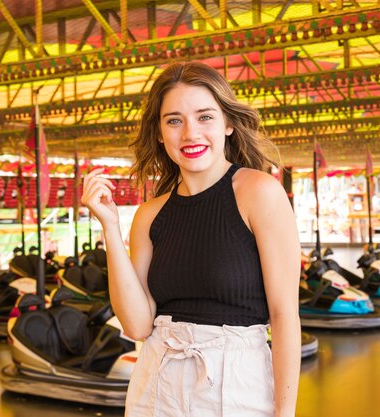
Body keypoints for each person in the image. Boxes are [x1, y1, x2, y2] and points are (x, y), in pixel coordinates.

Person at [82, 61, 301, 417]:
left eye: (205, 117)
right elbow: (137, 324)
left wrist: (285, 412)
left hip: (237, 387)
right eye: (174, 120)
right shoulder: (149, 215)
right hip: (157, 385)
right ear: (159, 132)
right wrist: (110, 227)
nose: (190, 133)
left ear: (228, 123)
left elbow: (284, 314)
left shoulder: (259, 193)